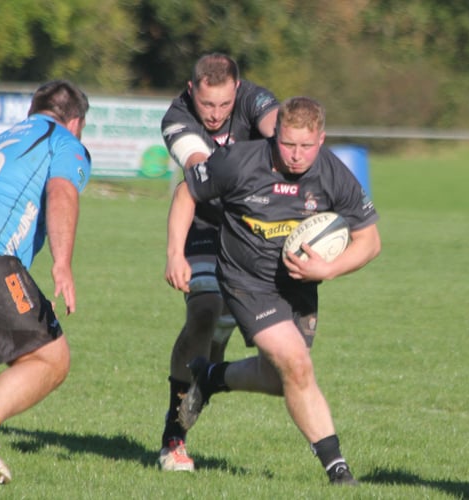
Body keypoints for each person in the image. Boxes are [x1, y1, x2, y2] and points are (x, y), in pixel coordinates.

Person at [165, 96, 380, 484]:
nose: (296, 155)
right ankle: (338, 471)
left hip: (299, 288)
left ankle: (212, 376)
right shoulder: (239, 161)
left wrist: (328, 269)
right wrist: (174, 254)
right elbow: (186, 193)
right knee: (297, 365)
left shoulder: (333, 173)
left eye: (306, 146)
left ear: (322, 139)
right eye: (287, 144)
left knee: (281, 379)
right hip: (246, 283)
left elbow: (370, 240)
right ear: (275, 134)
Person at [0, 80, 91, 486]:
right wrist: (63, 263)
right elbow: (62, 191)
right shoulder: (63, 140)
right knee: (50, 359)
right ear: (76, 122)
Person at [158, 53, 279, 472]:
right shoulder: (177, 117)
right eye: (207, 105)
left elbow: (279, 130)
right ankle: (173, 439)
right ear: (192, 92)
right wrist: (174, 254)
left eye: (225, 105)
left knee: (220, 338)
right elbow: (200, 168)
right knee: (204, 311)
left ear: (238, 91)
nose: (216, 114)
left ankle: (208, 374)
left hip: (253, 230)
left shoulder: (254, 100)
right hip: (204, 224)